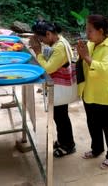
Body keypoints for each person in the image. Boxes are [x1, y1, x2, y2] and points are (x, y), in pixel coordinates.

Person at [77, 14, 108, 170]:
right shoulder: (91, 43)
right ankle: (97, 149)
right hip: (89, 92)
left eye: (90, 31)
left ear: (101, 31)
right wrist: (81, 55)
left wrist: (86, 57)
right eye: (86, 30)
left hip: (104, 93)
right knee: (93, 124)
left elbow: (104, 70)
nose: (87, 34)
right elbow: (84, 63)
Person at [29, 20, 76, 158]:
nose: (41, 42)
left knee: (61, 117)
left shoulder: (60, 47)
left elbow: (48, 68)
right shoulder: (58, 40)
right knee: (59, 116)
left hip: (60, 88)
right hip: (59, 87)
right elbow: (49, 60)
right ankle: (63, 140)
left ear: (48, 34)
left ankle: (68, 145)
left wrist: (37, 52)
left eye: (41, 38)